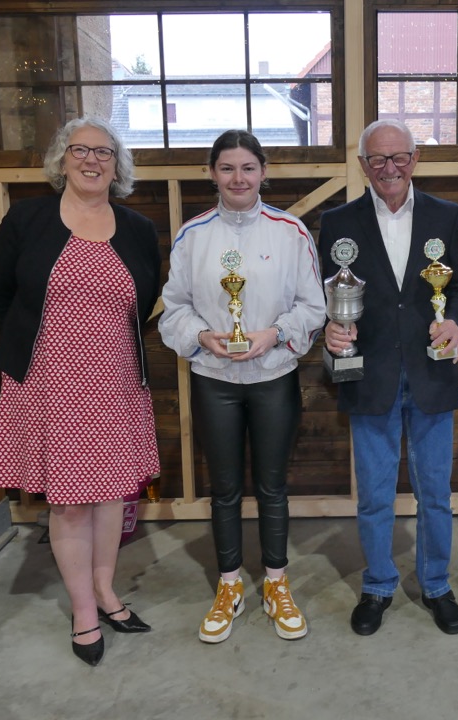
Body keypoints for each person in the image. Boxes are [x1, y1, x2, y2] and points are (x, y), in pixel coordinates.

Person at [0, 117, 161, 666]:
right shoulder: (28, 219)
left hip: (115, 383)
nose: (91, 160)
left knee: (112, 497)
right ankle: (84, 610)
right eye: (80, 150)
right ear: (62, 160)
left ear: (117, 165)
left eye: (104, 153)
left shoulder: (137, 228)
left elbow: (144, 300)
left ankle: (106, 591)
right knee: (70, 505)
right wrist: (34, 357)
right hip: (48, 386)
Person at [159, 130, 325, 644]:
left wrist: (273, 334)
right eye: (227, 168)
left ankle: (276, 582)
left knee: (273, 486)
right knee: (225, 488)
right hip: (215, 380)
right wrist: (202, 336)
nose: (238, 178)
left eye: (248, 168)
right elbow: (174, 308)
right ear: (212, 174)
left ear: (263, 172)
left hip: (274, 376)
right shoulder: (193, 236)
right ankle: (229, 584)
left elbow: (313, 306)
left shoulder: (291, 232)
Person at [320, 119, 458, 636]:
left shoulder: (446, 216)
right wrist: (329, 330)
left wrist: (456, 323)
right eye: (378, 159)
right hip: (370, 376)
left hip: (432, 372)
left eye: (399, 157)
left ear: (415, 159)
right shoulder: (337, 222)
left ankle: (437, 585)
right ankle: (378, 585)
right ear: (363, 164)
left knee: (436, 494)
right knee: (374, 495)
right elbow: (327, 296)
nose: (390, 168)